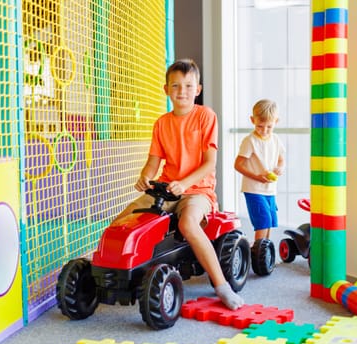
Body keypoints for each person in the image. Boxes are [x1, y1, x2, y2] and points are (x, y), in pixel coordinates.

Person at [113, 58, 244, 310]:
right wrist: (145, 177)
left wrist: (184, 184)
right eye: (175, 85)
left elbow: (209, 164)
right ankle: (110, 268)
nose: (181, 91)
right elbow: (152, 162)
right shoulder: (162, 123)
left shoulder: (206, 116)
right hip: (165, 188)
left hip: (198, 191)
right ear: (166, 90)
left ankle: (221, 286)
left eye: (187, 85)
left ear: (198, 89)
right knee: (124, 219)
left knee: (187, 224)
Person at [234, 99, 285, 242]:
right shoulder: (249, 141)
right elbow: (238, 165)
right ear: (252, 120)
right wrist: (257, 177)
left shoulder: (275, 140)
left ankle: (264, 249)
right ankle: (259, 251)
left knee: (268, 221)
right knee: (262, 221)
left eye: (269, 127)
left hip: (270, 189)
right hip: (254, 189)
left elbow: (281, 159)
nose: (264, 130)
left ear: (276, 122)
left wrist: (280, 168)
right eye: (260, 126)